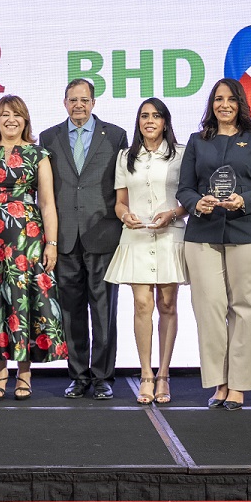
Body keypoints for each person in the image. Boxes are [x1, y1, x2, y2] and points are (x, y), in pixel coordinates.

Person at [176, 78, 251, 411]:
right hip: (202, 235)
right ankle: (219, 381)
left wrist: (244, 201)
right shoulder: (197, 141)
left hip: (247, 233)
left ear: (240, 104)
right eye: (218, 99)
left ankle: (239, 385)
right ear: (211, 104)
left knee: (245, 310)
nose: (224, 105)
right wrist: (196, 203)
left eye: (231, 99)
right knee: (209, 310)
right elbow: (184, 189)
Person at [0, 95, 67, 399]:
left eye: (17, 115)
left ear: (25, 120)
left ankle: (24, 373)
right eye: (4, 114)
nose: (11, 120)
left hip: (28, 238)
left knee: (24, 301)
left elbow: (47, 203)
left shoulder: (38, 154)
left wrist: (52, 244)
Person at [38, 79, 128, 400]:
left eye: (84, 99)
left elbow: (123, 183)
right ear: (64, 102)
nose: (79, 105)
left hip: (103, 234)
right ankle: (78, 375)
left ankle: (103, 377)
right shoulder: (48, 138)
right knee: (70, 312)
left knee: (104, 311)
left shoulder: (115, 136)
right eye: (73, 99)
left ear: (93, 103)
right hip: (63, 237)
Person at [104, 98, 187, 405]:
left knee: (167, 304)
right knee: (141, 304)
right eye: (144, 116)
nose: (149, 121)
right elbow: (120, 202)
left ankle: (164, 374)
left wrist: (174, 213)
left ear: (165, 122)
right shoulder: (125, 157)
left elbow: (188, 199)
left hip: (169, 235)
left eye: (156, 116)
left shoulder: (181, 154)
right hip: (137, 236)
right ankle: (146, 374)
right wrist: (125, 215)